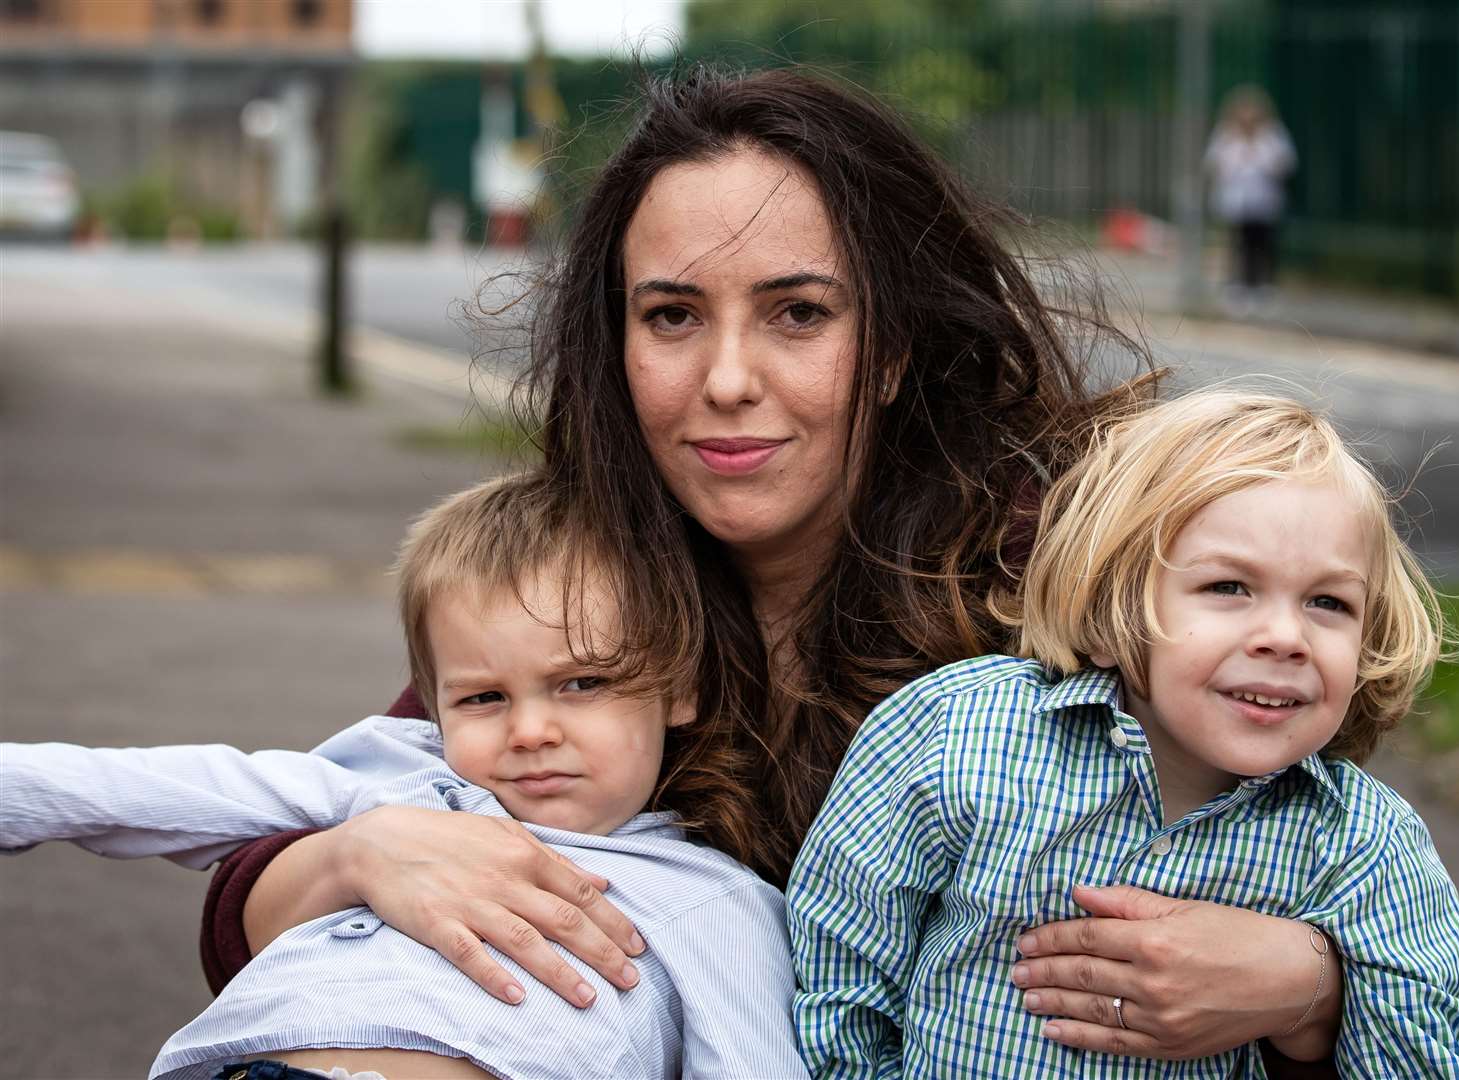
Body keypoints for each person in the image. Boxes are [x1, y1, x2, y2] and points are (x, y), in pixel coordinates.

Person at [201, 66, 1348, 1068]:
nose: (728, 379)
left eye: (797, 313)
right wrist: (363, 858)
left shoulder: (1069, 582)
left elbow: (1339, 871)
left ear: (891, 348)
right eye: (672, 317)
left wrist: (1310, 988)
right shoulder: (580, 566)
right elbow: (247, 899)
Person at [1, 475, 806, 1080]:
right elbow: (186, 791)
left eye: (582, 684)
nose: (530, 731)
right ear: (435, 706)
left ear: (680, 691)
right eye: (484, 697)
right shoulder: (400, 781)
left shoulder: (714, 899)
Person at [790, 389, 1459, 1078]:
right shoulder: (958, 737)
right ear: (1113, 604)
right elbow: (840, 968)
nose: (1286, 637)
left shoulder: (1364, 848)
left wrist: (1322, 996)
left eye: (1328, 602)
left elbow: (1432, 1054)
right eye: (1229, 587)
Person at [1205, 86, 1296, 303]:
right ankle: (1237, 284)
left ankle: (1263, 285)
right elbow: (1213, 162)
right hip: (1235, 201)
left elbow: (1285, 162)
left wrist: (1258, 155)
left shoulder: (1272, 134)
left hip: (1263, 201)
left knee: (1262, 244)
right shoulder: (1226, 133)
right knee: (1237, 244)